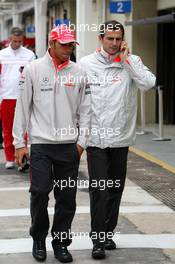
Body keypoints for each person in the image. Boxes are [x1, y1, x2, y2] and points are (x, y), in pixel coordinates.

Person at [13, 25, 91, 263]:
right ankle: (38, 238)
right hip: (41, 145)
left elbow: (86, 110)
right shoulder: (33, 69)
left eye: (71, 45)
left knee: (66, 197)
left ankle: (60, 243)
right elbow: (22, 107)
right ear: (52, 43)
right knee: (39, 193)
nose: (68, 49)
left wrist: (81, 143)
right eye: (64, 44)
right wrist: (19, 143)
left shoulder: (78, 71)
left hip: (69, 146)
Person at [80, 20, 156, 259]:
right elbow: (77, 99)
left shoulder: (131, 62)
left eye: (117, 39)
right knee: (99, 190)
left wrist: (127, 62)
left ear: (123, 40)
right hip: (95, 139)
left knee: (115, 189)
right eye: (109, 38)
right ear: (100, 39)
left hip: (121, 138)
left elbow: (149, 83)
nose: (113, 43)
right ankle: (98, 239)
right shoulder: (85, 64)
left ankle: (107, 231)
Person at [0, 27, 35, 169]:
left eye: (20, 41)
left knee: (23, 130)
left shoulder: (29, 55)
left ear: (23, 40)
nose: (17, 44)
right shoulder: (1, 54)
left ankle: (22, 159)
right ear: (9, 39)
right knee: (7, 129)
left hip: (23, 96)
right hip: (6, 96)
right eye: (14, 41)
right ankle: (9, 157)